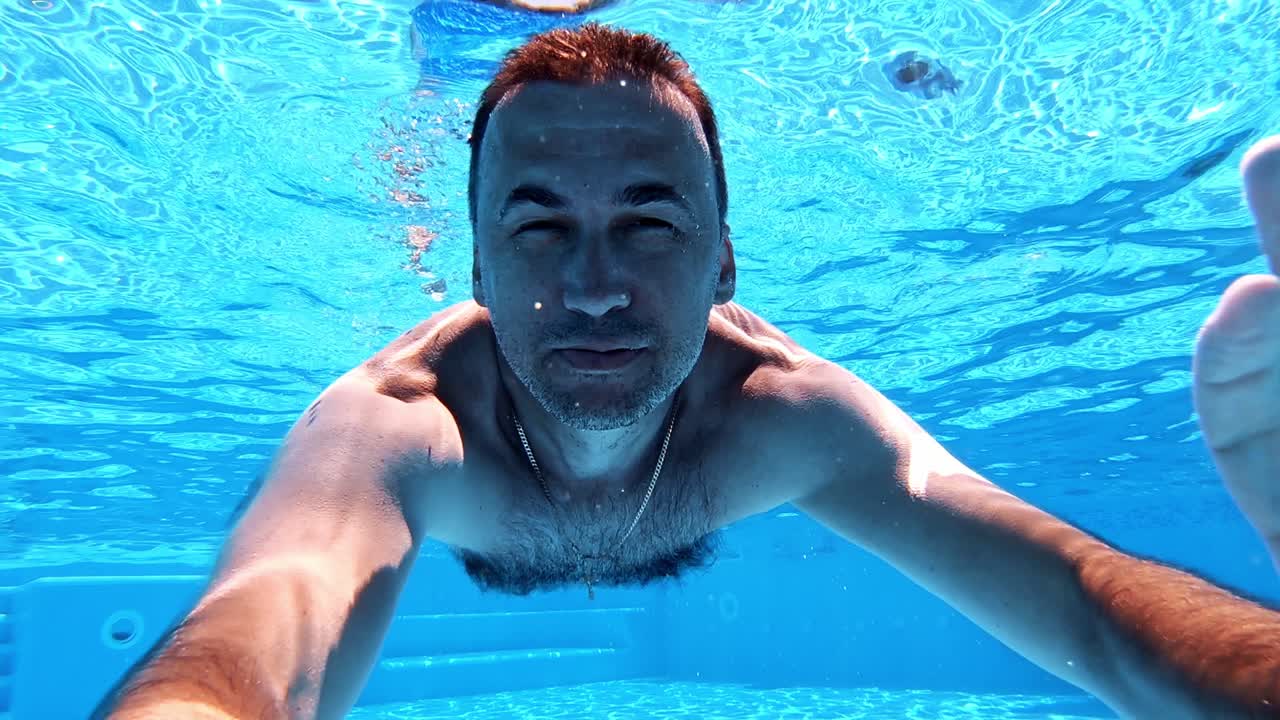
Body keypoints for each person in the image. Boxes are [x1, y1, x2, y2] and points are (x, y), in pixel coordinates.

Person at [94, 21, 1280, 720]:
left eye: (651, 223)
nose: (597, 282)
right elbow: (263, 626)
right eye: (539, 225)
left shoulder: (785, 415)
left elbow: (1076, 595)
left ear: (723, 264)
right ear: (472, 269)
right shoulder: (399, 424)